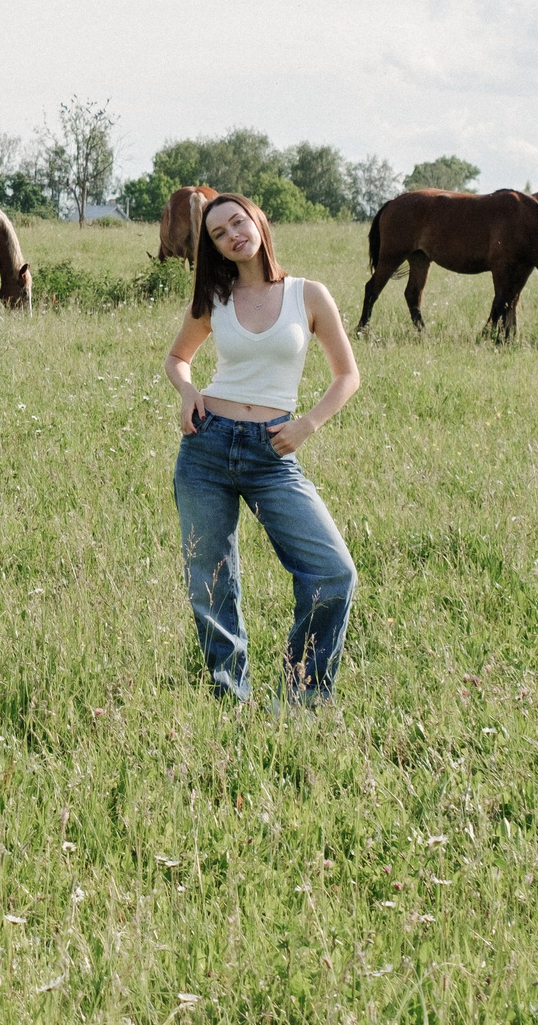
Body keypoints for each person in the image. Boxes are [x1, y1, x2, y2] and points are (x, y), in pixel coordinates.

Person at [161, 192, 361, 705]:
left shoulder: (307, 295)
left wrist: (308, 425)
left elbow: (347, 375)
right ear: (215, 248)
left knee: (333, 572)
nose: (232, 236)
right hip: (206, 448)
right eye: (219, 235)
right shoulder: (215, 297)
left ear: (256, 219)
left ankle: (301, 700)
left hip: (273, 452)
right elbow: (178, 358)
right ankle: (231, 697)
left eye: (236, 222)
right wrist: (187, 391)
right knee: (211, 582)